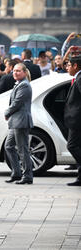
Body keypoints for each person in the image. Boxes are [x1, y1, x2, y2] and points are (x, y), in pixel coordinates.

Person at [4, 63, 34, 185]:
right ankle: (16, 173)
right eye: (14, 70)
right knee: (8, 146)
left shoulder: (25, 86)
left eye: (18, 71)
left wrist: (7, 112)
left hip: (21, 121)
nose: (15, 73)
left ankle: (27, 176)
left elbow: (17, 103)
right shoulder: (19, 84)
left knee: (23, 149)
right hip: (15, 121)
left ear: (25, 72)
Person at [64, 55, 81, 186]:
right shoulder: (77, 78)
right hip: (74, 119)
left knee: (72, 146)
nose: (67, 67)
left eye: (69, 65)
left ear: (75, 66)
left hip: (77, 120)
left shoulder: (80, 79)